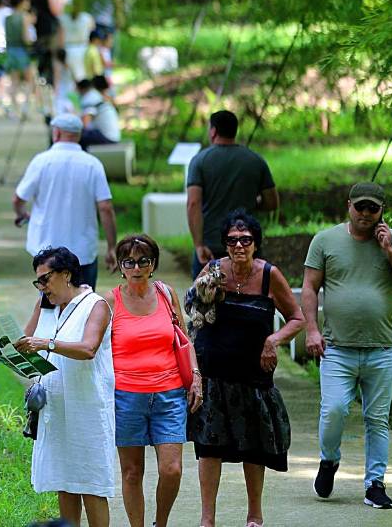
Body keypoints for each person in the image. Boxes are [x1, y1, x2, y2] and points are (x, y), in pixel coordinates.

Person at [301, 182, 392, 510]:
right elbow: (310, 287)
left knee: (377, 418)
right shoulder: (325, 240)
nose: (366, 214)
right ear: (349, 205)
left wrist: (390, 252)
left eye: (373, 209)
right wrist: (312, 330)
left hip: (381, 348)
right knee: (335, 409)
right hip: (337, 347)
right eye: (361, 207)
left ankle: (375, 484)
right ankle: (329, 461)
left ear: (382, 211)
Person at [186, 210, 303, 527]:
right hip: (215, 374)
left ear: (256, 243)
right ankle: (207, 519)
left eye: (246, 240)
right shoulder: (212, 270)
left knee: (254, 446)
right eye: (232, 240)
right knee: (209, 447)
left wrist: (273, 340)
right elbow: (191, 315)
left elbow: (297, 318)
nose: (239, 246)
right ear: (225, 244)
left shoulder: (268, 275)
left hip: (253, 374)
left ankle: (254, 515)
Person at [15, 247, 116, 526]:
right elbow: (23, 344)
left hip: (88, 407)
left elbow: (88, 348)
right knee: (64, 481)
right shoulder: (44, 305)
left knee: (91, 485)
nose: (42, 287)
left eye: (45, 279)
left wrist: (46, 344)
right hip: (55, 406)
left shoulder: (95, 304)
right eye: (38, 282)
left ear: (66, 274)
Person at [108, 237, 190, 527]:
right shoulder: (109, 301)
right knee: (132, 472)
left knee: (172, 469)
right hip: (127, 396)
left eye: (144, 261)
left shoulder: (167, 293)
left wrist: (197, 378)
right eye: (129, 261)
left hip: (169, 394)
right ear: (121, 267)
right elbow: (94, 346)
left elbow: (184, 339)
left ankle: (160, 522)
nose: (137, 267)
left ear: (153, 264)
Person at [14, 113, 119, 287]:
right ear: (79, 135)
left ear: (56, 133)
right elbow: (106, 207)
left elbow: (18, 198)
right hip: (83, 253)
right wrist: (111, 247)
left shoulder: (41, 162)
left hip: (46, 252)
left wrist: (22, 215)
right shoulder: (93, 164)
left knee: (49, 307)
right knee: (85, 308)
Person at [186, 111, 278, 276]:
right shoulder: (255, 160)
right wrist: (250, 203)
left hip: (212, 248)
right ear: (235, 130)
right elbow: (272, 202)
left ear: (213, 131)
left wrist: (199, 245)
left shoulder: (200, 160)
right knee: (248, 295)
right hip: (246, 245)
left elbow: (194, 203)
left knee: (207, 297)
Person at [80, 75, 122, 149]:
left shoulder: (92, 95)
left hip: (106, 139)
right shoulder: (104, 98)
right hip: (114, 138)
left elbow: (85, 123)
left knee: (75, 135)